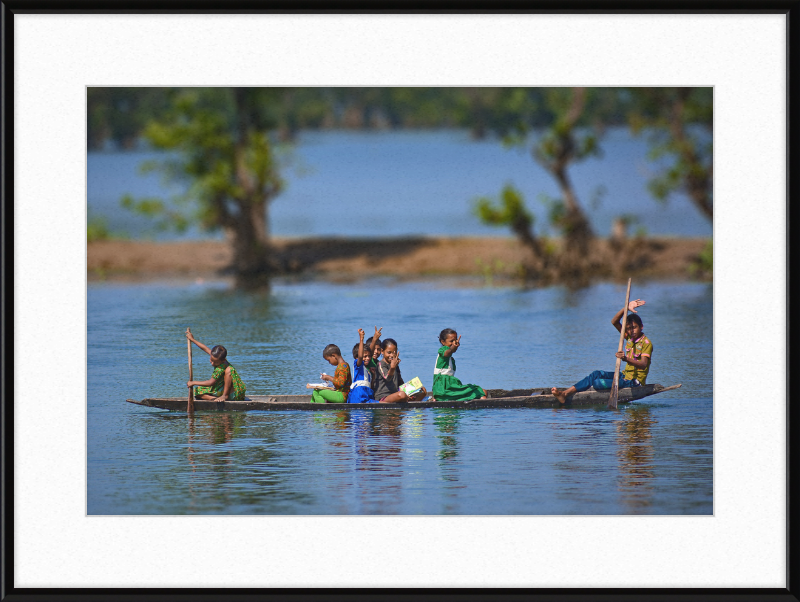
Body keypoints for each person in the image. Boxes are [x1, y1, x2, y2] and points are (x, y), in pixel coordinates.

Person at [551, 299, 652, 404]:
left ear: (641, 327)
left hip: (634, 382)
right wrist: (625, 308)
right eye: (629, 328)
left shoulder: (646, 343)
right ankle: (565, 394)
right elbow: (614, 322)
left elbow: (643, 365)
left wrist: (625, 358)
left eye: (635, 328)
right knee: (596, 374)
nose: (632, 331)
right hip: (625, 376)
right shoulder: (630, 338)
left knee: (597, 383)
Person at [185, 328, 247, 401]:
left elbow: (211, 382)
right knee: (197, 391)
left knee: (229, 370)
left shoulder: (220, 367)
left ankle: (224, 396)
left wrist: (193, 382)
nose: (212, 363)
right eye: (211, 360)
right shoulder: (218, 357)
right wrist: (192, 339)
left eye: (215, 362)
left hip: (234, 394)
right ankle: (214, 399)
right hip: (221, 388)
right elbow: (205, 348)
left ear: (223, 360)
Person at [431, 328, 486, 401]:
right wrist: (453, 347)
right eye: (451, 341)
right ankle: (485, 410)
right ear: (443, 342)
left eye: (455, 340)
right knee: (480, 391)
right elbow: (447, 353)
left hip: (447, 390)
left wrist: (453, 347)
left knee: (482, 391)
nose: (454, 343)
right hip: (444, 390)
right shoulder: (443, 351)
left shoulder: (451, 359)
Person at [373, 338, 428, 403]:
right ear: (382, 351)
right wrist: (392, 367)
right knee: (402, 395)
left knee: (423, 390)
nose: (391, 355)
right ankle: (406, 402)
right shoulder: (381, 364)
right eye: (389, 353)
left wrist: (408, 392)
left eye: (394, 353)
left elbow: (400, 382)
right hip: (383, 396)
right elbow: (387, 377)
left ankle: (410, 406)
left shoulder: (395, 365)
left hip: (396, 393)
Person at [349, 327, 381, 404]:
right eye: (365, 356)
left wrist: (373, 375)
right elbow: (360, 356)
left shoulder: (368, 371)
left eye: (369, 356)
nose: (368, 358)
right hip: (358, 397)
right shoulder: (358, 366)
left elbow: (371, 386)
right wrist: (361, 339)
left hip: (366, 397)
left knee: (385, 404)